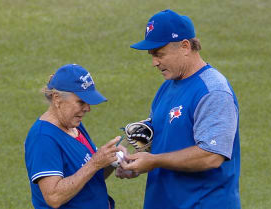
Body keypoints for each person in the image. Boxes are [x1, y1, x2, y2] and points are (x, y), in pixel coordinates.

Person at [117, 9, 241, 209]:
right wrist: (135, 162)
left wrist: (154, 161)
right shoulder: (168, 85)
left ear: (184, 46)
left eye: (159, 54)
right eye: (152, 55)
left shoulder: (212, 91)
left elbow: (211, 155)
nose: (154, 62)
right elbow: (164, 141)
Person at [25, 64, 122, 209]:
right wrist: (95, 163)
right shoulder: (43, 138)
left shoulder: (74, 125)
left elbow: (88, 177)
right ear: (57, 99)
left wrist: (111, 160)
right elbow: (53, 197)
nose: (88, 108)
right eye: (81, 102)